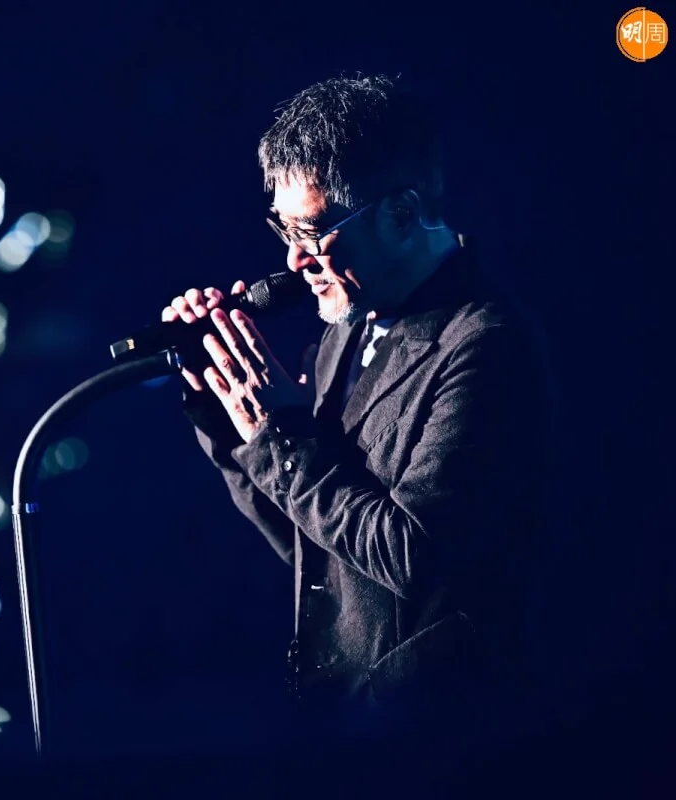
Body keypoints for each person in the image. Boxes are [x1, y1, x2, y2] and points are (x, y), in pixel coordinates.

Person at [161, 73, 554, 750]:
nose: (294, 259)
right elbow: (316, 547)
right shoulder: (346, 330)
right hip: (342, 730)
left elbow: (412, 557)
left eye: (313, 231)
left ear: (400, 213)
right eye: (283, 229)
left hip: (440, 745)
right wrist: (228, 409)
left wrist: (277, 436)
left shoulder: (484, 344)